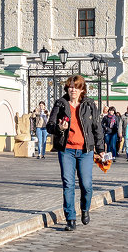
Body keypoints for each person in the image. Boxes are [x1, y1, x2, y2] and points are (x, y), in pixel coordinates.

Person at [46, 75, 105, 231]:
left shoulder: (89, 104)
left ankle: (85, 209)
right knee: (68, 184)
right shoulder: (61, 104)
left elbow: (97, 128)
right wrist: (59, 128)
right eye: (70, 86)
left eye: (76, 87)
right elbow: (50, 126)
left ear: (82, 89)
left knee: (86, 185)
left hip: (85, 151)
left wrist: (100, 150)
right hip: (67, 151)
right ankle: (70, 218)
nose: (73, 89)